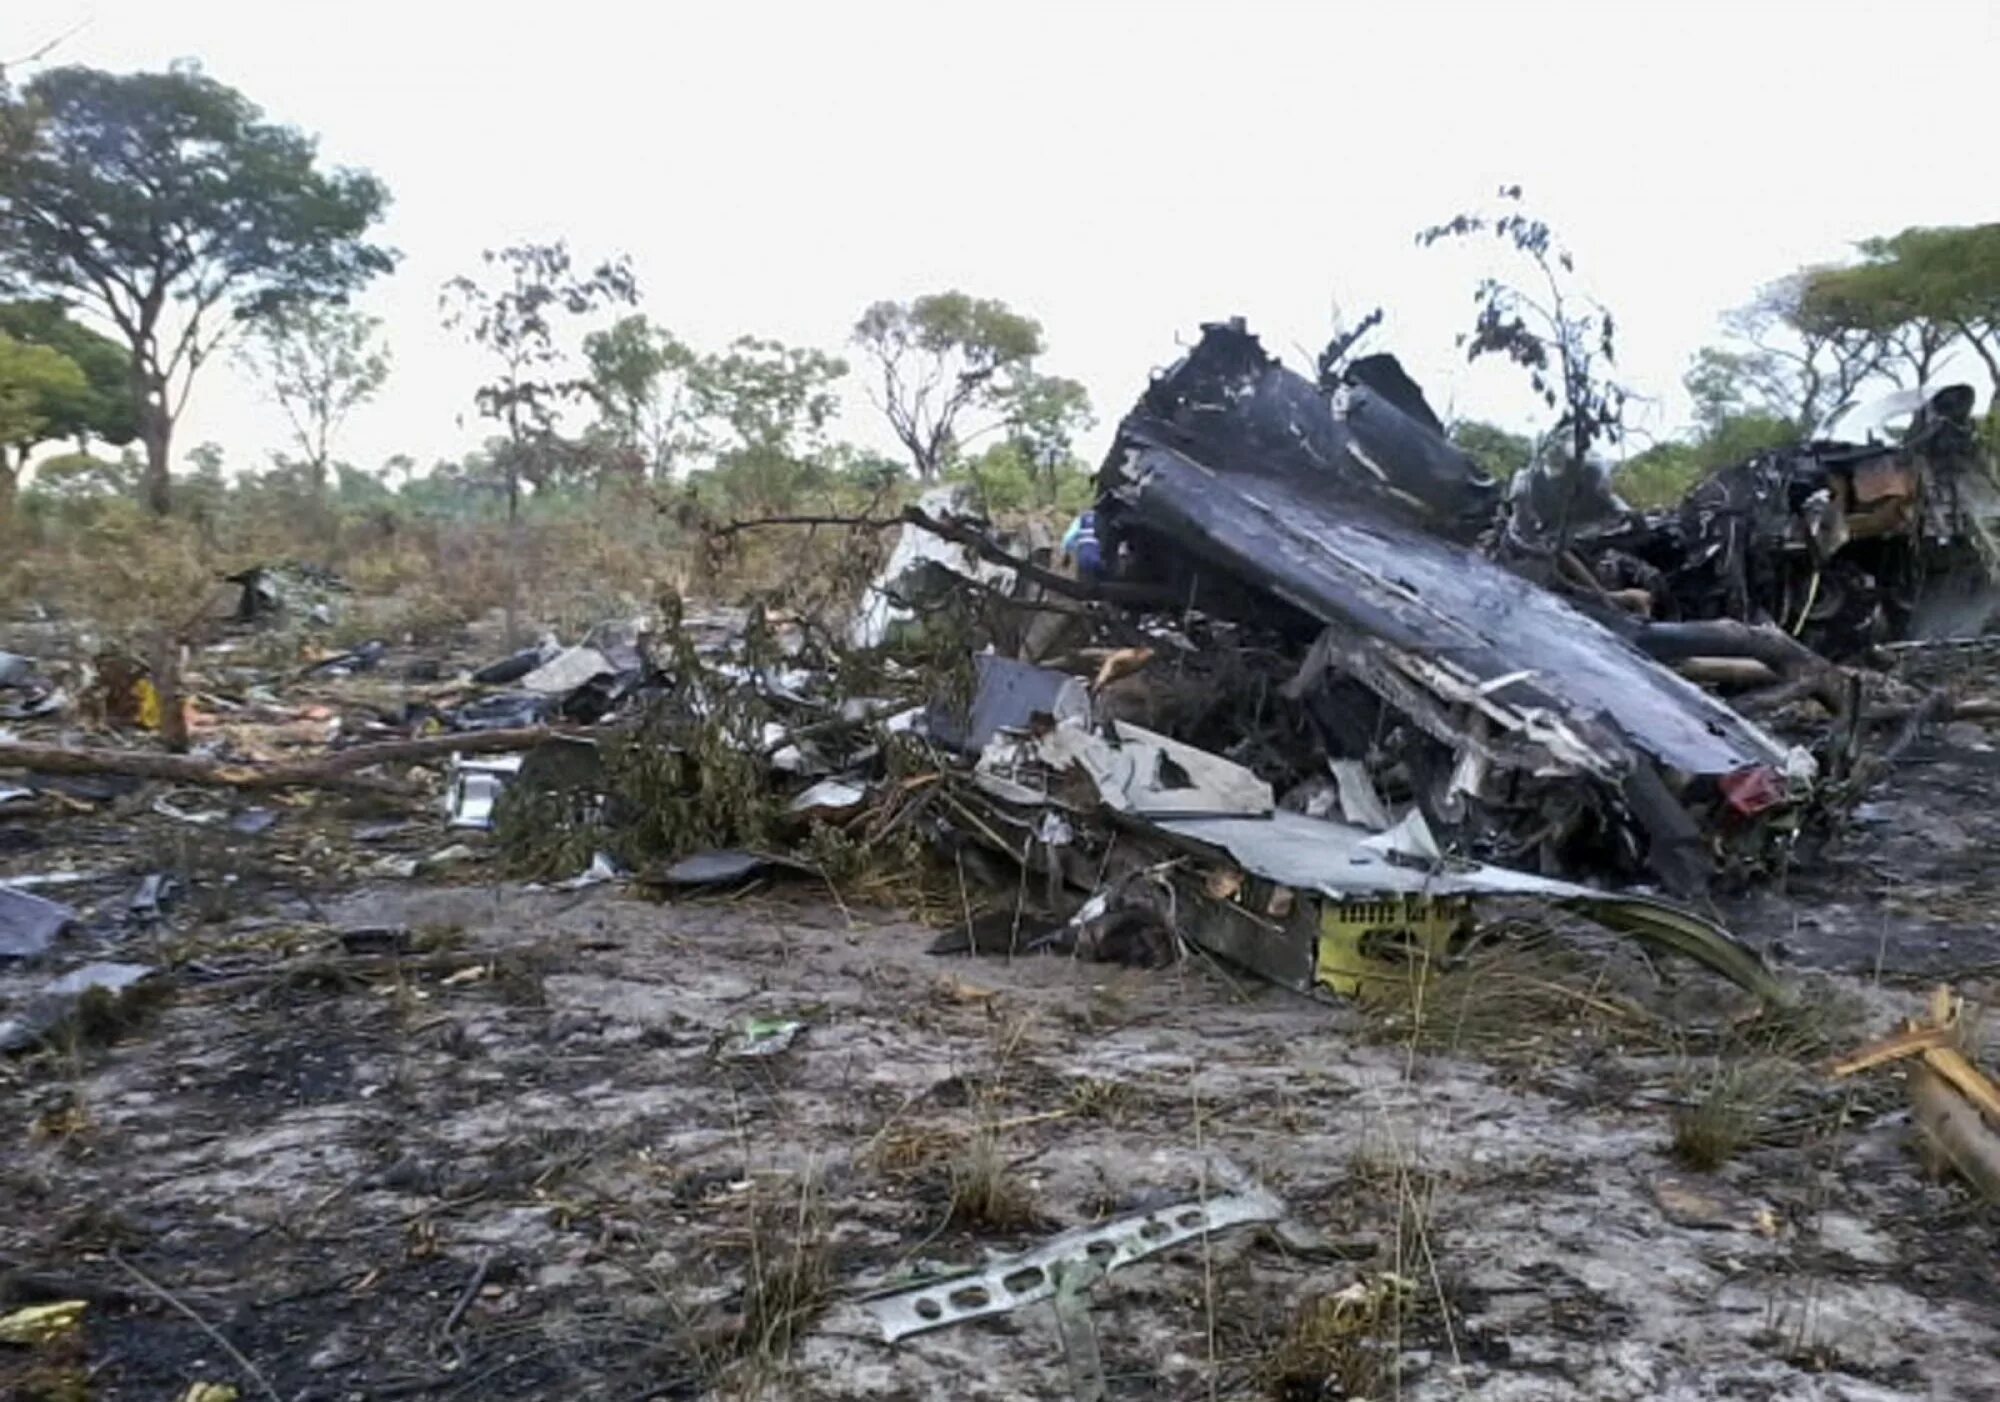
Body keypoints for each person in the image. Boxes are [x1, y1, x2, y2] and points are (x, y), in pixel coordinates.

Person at [1061, 508, 1102, 580]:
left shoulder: (1080, 519)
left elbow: (1068, 538)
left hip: (1083, 556)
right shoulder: (1104, 519)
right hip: (1100, 557)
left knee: (1082, 582)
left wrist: (1067, 554)